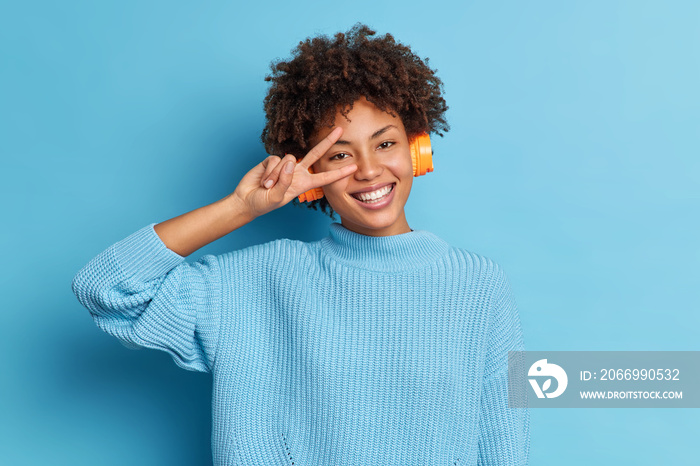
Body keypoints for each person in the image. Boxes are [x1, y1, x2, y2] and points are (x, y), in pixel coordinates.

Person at [72, 24, 530, 465]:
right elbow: (107, 290)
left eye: (385, 143)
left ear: (417, 148)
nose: (369, 171)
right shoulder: (261, 280)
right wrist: (242, 207)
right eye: (340, 155)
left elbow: (503, 440)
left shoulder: (480, 283)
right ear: (312, 178)